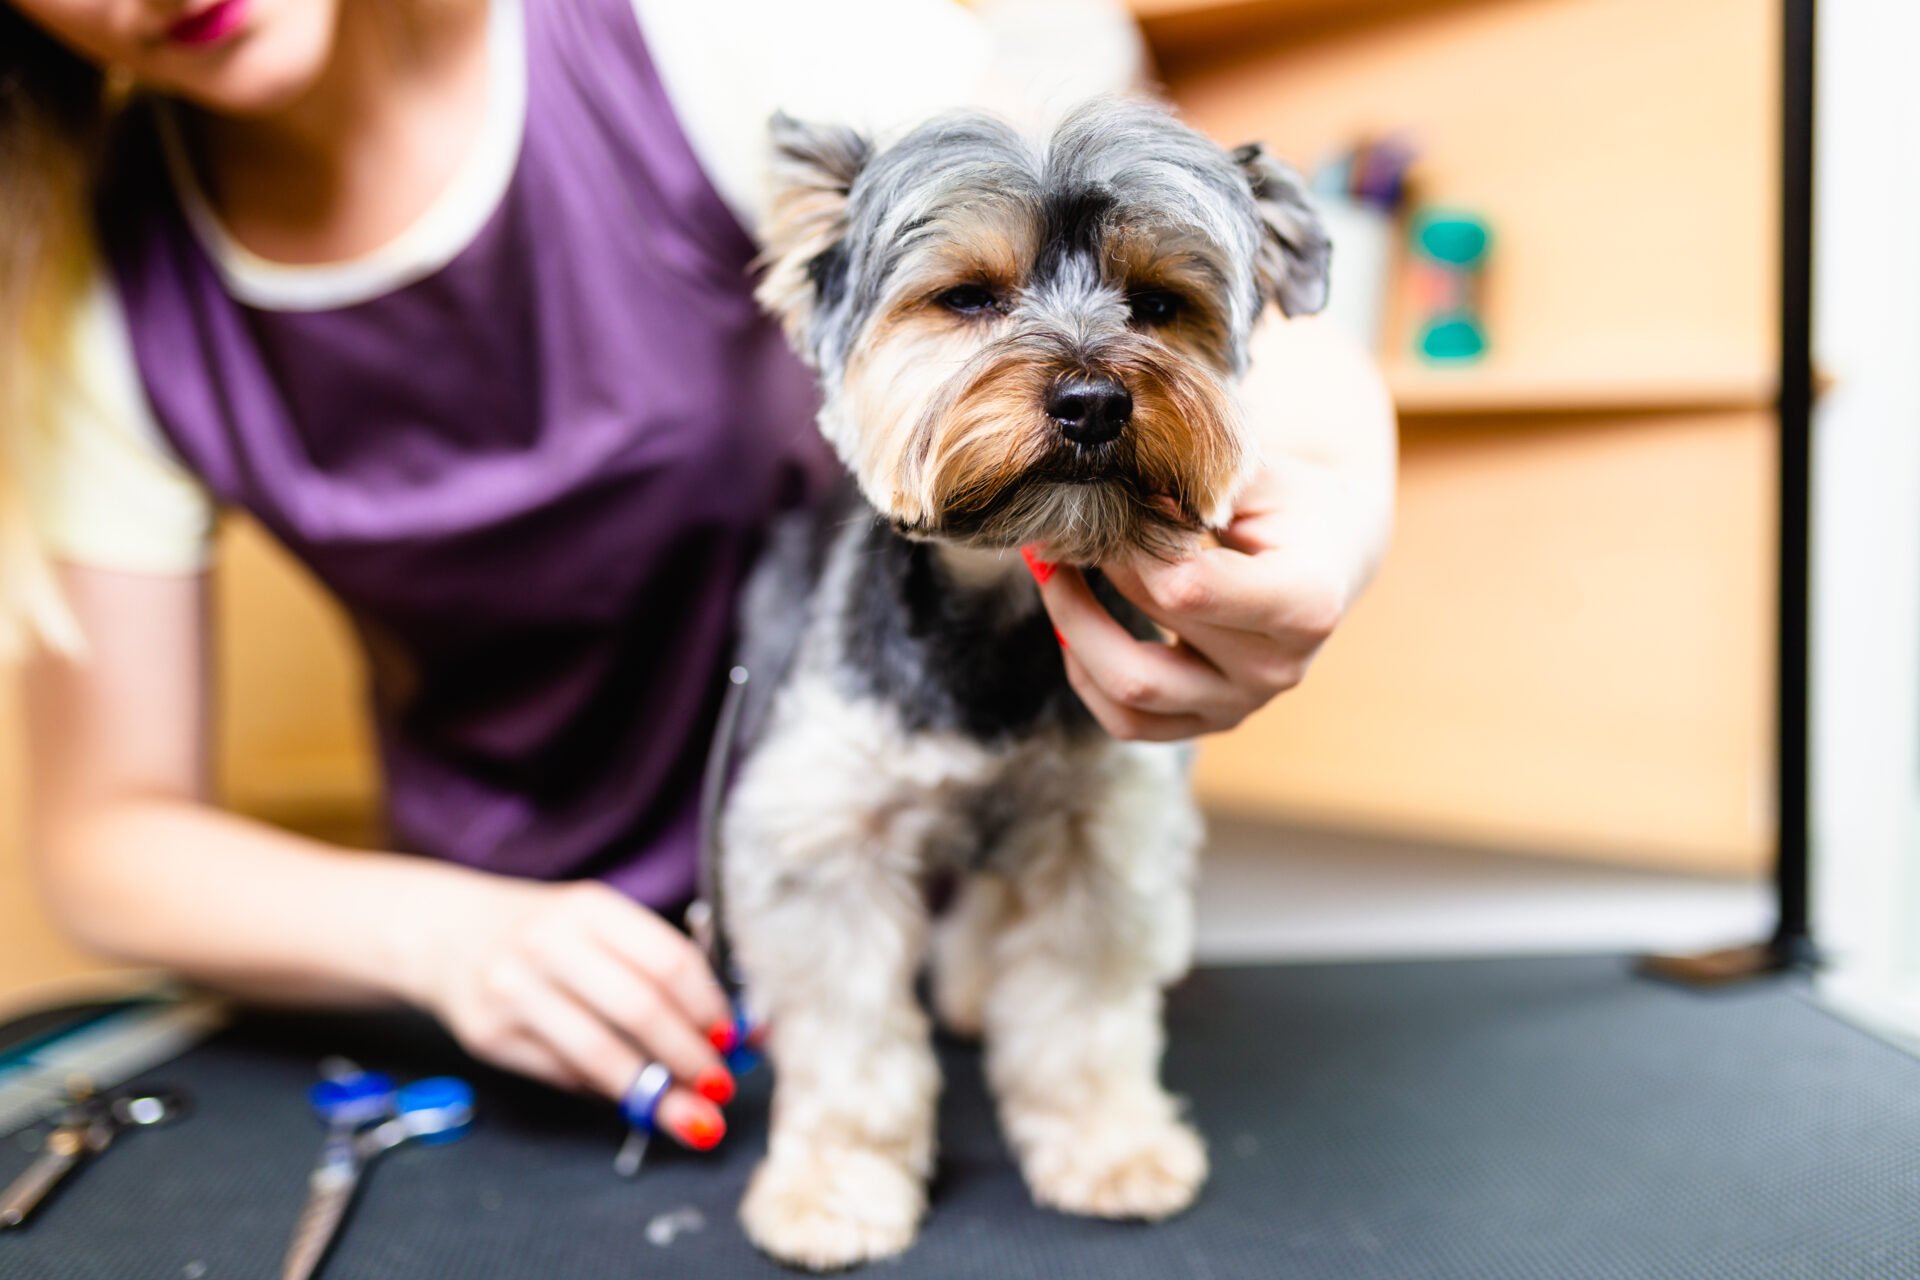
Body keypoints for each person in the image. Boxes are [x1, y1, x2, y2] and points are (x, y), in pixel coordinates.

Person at [2, 0, 1395, 1156]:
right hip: (533, 1000)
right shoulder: (97, 283)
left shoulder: (707, 28)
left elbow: (1208, 281)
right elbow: (108, 838)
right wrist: (442, 940)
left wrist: (1326, 514)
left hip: (973, 923)